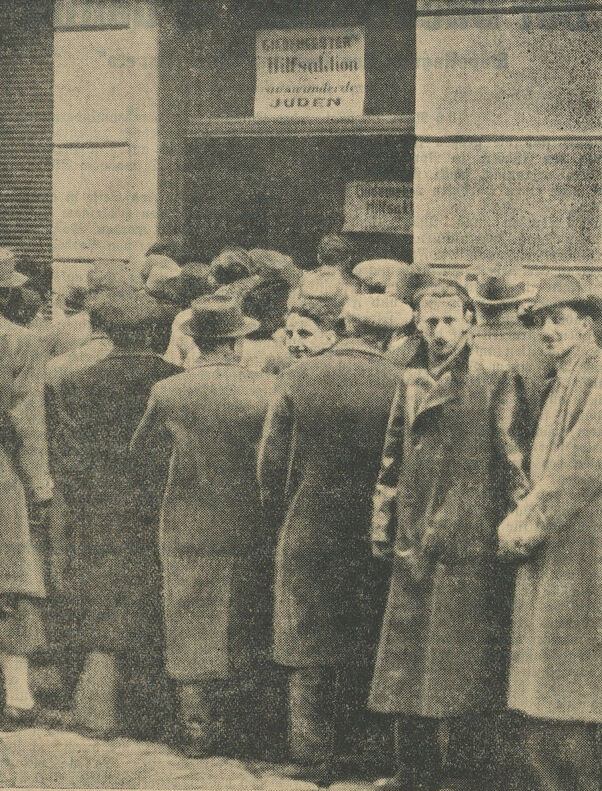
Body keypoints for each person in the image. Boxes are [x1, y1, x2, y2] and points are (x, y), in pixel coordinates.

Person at [369, 280, 530, 791]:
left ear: (469, 320)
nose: (437, 331)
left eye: (447, 320)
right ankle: (413, 771)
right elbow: (391, 461)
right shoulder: (411, 379)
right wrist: (383, 524)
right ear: (417, 323)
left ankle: (467, 773)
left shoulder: (495, 376)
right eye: (428, 321)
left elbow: (513, 463)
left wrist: (514, 526)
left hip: (469, 539)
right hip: (416, 538)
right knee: (407, 659)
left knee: (463, 663)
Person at [257, 293, 412, 783]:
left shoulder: (299, 375)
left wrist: (283, 510)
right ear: (391, 336)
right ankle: (365, 748)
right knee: (365, 635)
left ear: (344, 324)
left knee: (307, 637)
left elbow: (271, 461)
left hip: (308, 525)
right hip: (372, 532)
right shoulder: (401, 382)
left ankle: (308, 749)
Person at [130, 295, 281, 759]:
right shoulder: (268, 389)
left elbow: (141, 455)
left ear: (194, 342)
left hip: (186, 523)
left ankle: (195, 728)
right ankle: (248, 728)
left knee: (190, 621)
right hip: (251, 522)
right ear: (238, 342)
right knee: (247, 620)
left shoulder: (169, 390)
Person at [48, 290, 181, 738]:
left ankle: (95, 705)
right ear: (148, 332)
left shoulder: (74, 382)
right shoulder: (172, 379)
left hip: (97, 502)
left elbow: (67, 455)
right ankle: (149, 710)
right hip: (154, 504)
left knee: (101, 592)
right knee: (151, 594)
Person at [497, 274, 602, 791]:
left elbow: (582, 463)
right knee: (555, 682)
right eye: (540, 320)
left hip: (583, 547)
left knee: (571, 684)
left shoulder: (597, 375)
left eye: (558, 317)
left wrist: (526, 519)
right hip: (562, 545)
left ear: (587, 322)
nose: (546, 330)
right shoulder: (567, 375)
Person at [0, 284, 55, 728]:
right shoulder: (19, 340)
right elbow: (27, 422)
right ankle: (18, 695)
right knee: (9, 582)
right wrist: (39, 485)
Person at [468, 267, 550, 434]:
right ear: (519, 303)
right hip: (533, 450)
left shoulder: (462, 345)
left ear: (477, 304)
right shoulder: (545, 344)